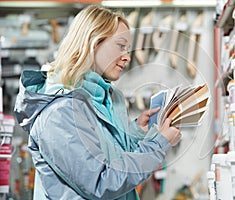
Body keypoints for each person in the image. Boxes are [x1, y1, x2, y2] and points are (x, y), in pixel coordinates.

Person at [14, 5, 181, 200]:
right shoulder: (59, 112)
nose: (127, 57)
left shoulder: (105, 99)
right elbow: (102, 181)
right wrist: (159, 144)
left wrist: (136, 133)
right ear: (93, 43)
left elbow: (115, 160)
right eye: (120, 46)